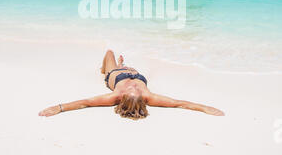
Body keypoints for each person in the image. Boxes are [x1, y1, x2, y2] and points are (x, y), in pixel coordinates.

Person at [39, 50, 225, 120]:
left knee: (109, 52)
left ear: (123, 97)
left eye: (131, 90)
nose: (133, 87)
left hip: (115, 75)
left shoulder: (114, 96)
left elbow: (86, 102)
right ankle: (122, 65)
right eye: (135, 89)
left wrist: (59, 107)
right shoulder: (148, 97)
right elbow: (179, 103)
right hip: (133, 71)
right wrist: (204, 108)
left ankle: (106, 68)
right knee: (129, 66)